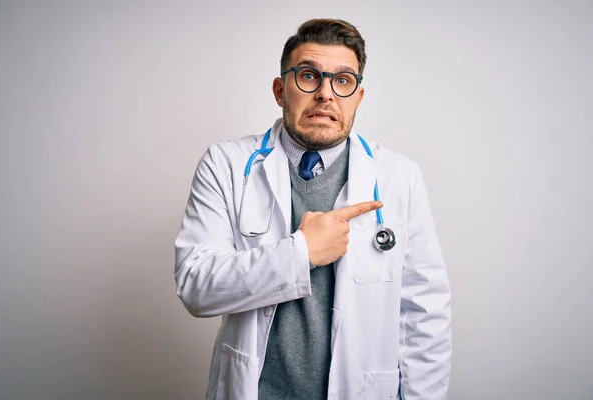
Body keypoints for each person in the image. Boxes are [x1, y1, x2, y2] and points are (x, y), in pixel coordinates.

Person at [174, 18, 451, 400]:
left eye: (342, 81)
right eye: (308, 76)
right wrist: (301, 252)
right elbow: (196, 285)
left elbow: (424, 315)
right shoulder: (225, 163)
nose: (325, 94)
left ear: (358, 96)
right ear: (280, 89)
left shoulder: (399, 176)